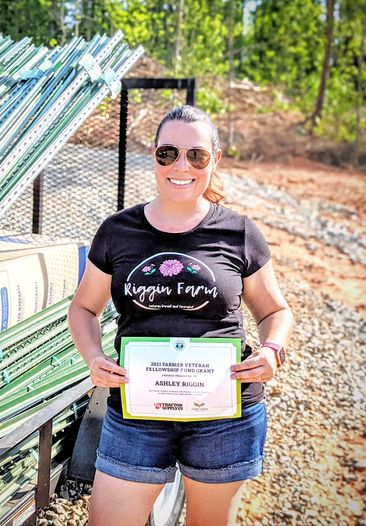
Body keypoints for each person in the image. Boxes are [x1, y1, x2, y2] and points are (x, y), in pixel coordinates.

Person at [68, 105, 294, 526]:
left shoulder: (239, 232)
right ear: (153, 156)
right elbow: (83, 307)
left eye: (197, 155)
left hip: (223, 417)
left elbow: (275, 311)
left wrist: (271, 351)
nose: (181, 166)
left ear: (215, 159)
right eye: (168, 153)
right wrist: (93, 358)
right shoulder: (118, 231)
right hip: (137, 413)